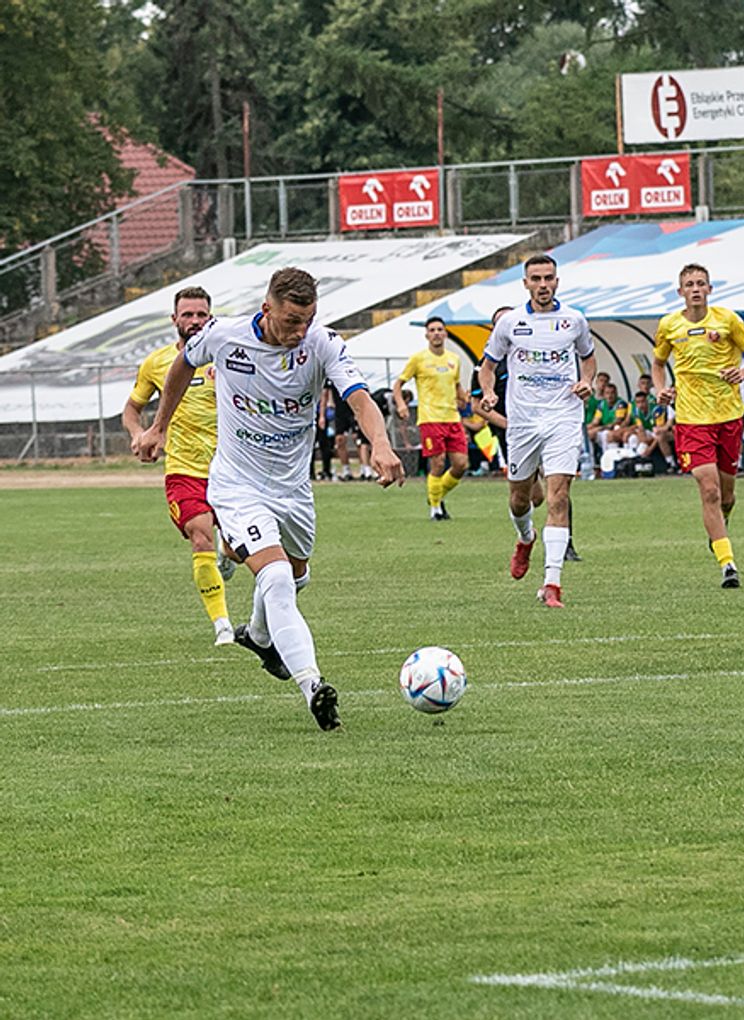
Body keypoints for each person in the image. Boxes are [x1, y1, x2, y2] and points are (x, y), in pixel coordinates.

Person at [132, 267, 405, 729]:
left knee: (296, 578)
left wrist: (379, 442)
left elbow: (359, 397)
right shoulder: (226, 336)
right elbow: (182, 365)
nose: (300, 331)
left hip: (294, 489)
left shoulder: (322, 342)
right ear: (267, 309)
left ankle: (259, 636)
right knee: (276, 577)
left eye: (307, 320)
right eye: (291, 321)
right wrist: (159, 426)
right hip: (237, 484)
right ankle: (313, 687)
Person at [477, 253, 596, 608]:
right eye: (536, 279)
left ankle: (552, 583)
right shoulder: (510, 323)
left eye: (548, 278)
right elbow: (487, 367)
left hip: (563, 416)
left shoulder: (574, 320)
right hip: (523, 420)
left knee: (558, 496)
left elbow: (588, 357)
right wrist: (488, 392)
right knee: (520, 497)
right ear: (526, 283)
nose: (543, 285)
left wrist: (587, 381)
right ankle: (525, 538)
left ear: (556, 281)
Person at [122, 286, 236, 647]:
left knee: (236, 548)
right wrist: (140, 434)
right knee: (200, 536)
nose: (195, 321)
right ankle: (222, 625)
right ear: (175, 319)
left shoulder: (230, 357)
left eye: (201, 314)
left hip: (232, 469)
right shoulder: (157, 363)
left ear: (211, 318)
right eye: (187, 314)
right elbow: (132, 409)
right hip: (184, 469)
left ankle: (229, 552)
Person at [652, 263, 744, 588]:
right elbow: (658, 364)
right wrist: (661, 389)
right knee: (710, 490)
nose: (695, 289)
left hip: (728, 417)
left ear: (710, 289)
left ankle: (721, 525)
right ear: (680, 291)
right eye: (689, 284)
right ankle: (728, 564)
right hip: (691, 420)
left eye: (701, 283)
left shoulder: (727, 320)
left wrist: (742, 373)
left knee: (727, 495)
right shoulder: (669, 325)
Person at [392, 316, 468, 520]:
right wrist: (401, 404)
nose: (436, 333)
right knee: (438, 463)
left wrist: (464, 397)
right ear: (426, 335)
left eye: (439, 330)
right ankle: (435, 509)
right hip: (430, 418)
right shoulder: (418, 359)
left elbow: (456, 385)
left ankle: (435, 495)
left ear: (445, 334)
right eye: (432, 330)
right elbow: (398, 385)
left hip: (452, 417)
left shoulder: (454, 359)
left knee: (461, 464)